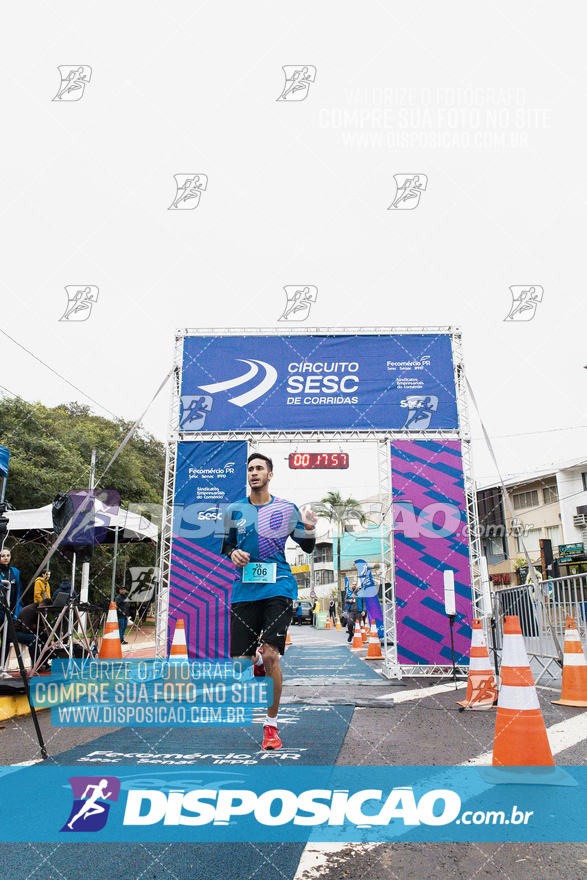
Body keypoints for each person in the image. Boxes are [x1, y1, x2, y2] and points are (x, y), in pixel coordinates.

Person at [222, 452, 317, 751]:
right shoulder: (235, 510)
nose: (254, 473)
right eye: (250, 469)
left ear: (270, 475)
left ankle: (271, 726)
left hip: (278, 587)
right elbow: (227, 545)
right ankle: (258, 661)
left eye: (259, 468)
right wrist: (232, 554)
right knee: (241, 665)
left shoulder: (285, 508)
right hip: (245, 591)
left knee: (274, 655)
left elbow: (307, 545)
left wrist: (310, 527)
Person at [14, 598, 52, 669]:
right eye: (45, 610)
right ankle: (37, 663)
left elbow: (42, 627)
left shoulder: (40, 611)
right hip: (18, 632)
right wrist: (36, 627)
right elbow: (26, 629)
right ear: (41, 605)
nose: (46, 613)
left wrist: (35, 627)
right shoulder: (29, 610)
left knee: (47, 636)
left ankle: (43, 662)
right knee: (32, 639)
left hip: (32, 632)